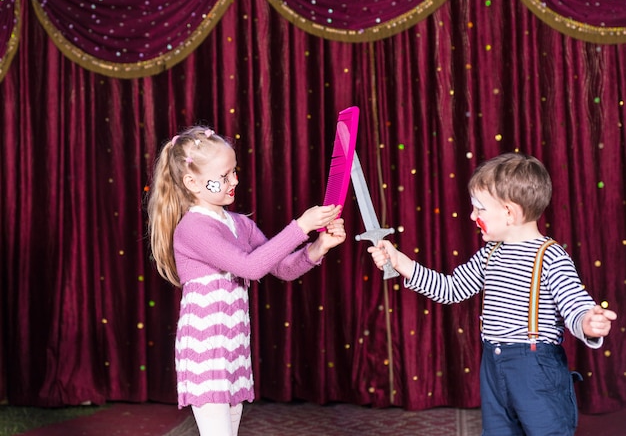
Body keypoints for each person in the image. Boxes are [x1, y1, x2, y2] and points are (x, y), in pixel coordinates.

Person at [368, 152, 617, 436]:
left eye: (479, 209)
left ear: (509, 213)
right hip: (493, 365)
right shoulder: (490, 254)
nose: (472, 216)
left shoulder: (550, 256)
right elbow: (451, 289)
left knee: (547, 431)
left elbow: (574, 303)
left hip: (535, 368)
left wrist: (587, 321)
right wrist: (401, 262)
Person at [146, 125, 346, 436]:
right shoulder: (193, 229)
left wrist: (319, 246)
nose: (234, 181)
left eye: (234, 172)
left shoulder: (240, 224)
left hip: (233, 351)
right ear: (192, 182)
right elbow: (249, 267)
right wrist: (301, 226)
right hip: (205, 353)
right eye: (224, 176)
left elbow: (280, 268)